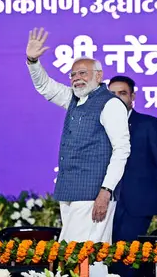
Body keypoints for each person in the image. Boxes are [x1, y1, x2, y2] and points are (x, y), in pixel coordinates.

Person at [25, 28, 131, 247]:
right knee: (84, 257)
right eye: (73, 75)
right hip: (70, 191)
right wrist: (33, 61)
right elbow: (45, 86)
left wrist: (106, 191)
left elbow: (122, 150)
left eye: (83, 73)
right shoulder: (73, 98)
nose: (76, 78)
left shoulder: (110, 104)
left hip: (94, 194)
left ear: (98, 76)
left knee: (78, 255)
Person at [108, 76, 157, 277]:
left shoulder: (149, 124)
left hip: (138, 203)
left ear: (132, 97)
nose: (117, 98)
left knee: (128, 258)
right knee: (108, 259)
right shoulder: (99, 125)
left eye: (122, 93)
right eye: (112, 94)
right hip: (106, 204)